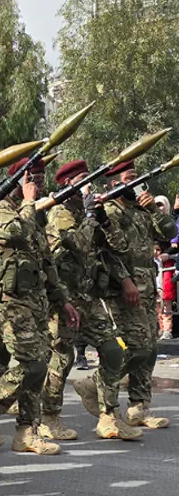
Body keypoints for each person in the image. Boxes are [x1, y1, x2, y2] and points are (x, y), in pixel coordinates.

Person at [0, 158, 80, 455]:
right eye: (33, 179)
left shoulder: (34, 213)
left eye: (42, 179)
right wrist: (30, 203)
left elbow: (47, 262)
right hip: (10, 300)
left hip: (36, 300)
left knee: (39, 365)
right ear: (19, 181)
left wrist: (63, 300)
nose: (39, 185)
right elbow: (16, 232)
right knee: (33, 363)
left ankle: (27, 432)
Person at [45, 160, 141, 441]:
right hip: (63, 297)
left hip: (88, 296)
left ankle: (109, 416)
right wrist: (89, 216)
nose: (89, 185)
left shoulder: (90, 212)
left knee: (112, 350)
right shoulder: (59, 213)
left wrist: (104, 220)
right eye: (84, 179)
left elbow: (118, 248)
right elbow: (77, 245)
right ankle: (49, 417)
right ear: (68, 185)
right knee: (62, 357)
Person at [98, 160, 177, 429]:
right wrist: (125, 281)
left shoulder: (141, 210)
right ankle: (100, 390)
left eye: (137, 177)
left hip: (146, 285)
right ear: (115, 184)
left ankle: (139, 406)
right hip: (124, 287)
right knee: (137, 347)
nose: (137, 183)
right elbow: (108, 252)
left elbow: (169, 232)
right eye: (130, 178)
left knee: (150, 347)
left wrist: (154, 209)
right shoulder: (109, 211)